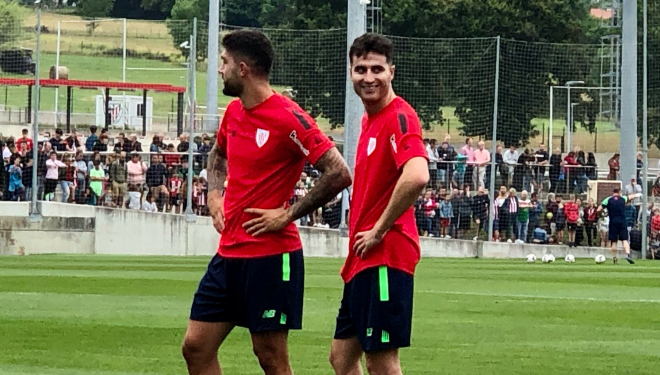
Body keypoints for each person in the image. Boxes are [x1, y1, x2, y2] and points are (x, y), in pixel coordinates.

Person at [181, 30, 351, 375]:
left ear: (242, 69)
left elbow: (339, 172)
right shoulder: (234, 112)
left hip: (273, 257)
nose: (220, 70)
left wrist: (287, 215)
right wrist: (215, 194)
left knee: (270, 356)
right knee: (195, 347)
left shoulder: (288, 117)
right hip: (229, 254)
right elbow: (218, 154)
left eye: (224, 62)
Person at [329, 33, 429, 375]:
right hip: (363, 259)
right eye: (360, 69)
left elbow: (417, 175)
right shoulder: (368, 120)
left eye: (377, 69)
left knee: (382, 362)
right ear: (351, 73)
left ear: (391, 72)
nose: (368, 77)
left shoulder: (400, 117)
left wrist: (378, 229)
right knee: (341, 358)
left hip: (386, 255)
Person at [598, 188, 640, 264]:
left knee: (614, 241)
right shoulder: (623, 198)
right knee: (624, 240)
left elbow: (599, 209)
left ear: (613, 192)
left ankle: (614, 257)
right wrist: (638, 194)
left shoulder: (608, 199)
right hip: (622, 222)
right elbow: (630, 197)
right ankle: (628, 255)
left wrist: (603, 213)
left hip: (613, 222)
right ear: (619, 192)